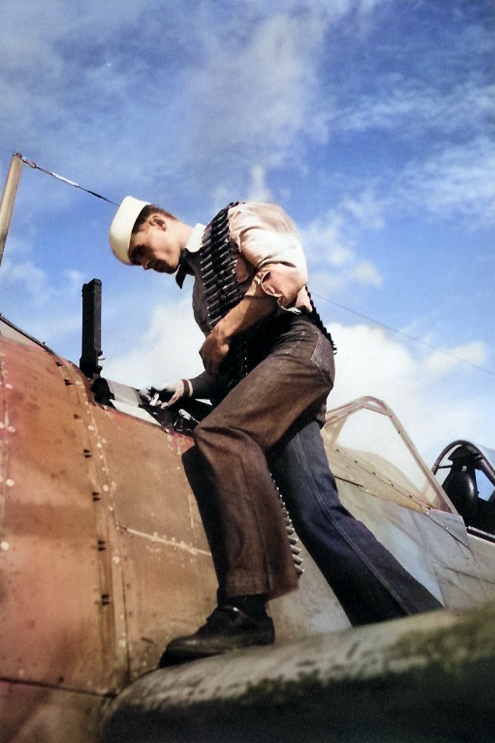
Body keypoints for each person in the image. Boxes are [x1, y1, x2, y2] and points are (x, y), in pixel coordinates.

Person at [109, 198, 442, 665]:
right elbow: (230, 371)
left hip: (297, 351)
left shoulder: (237, 218)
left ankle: (247, 610)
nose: (144, 265)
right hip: (265, 379)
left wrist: (223, 331)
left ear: (159, 222)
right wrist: (190, 385)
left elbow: (286, 272)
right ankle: (424, 626)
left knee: (222, 435)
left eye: (141, 251)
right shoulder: (199, 294)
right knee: (317, 514)